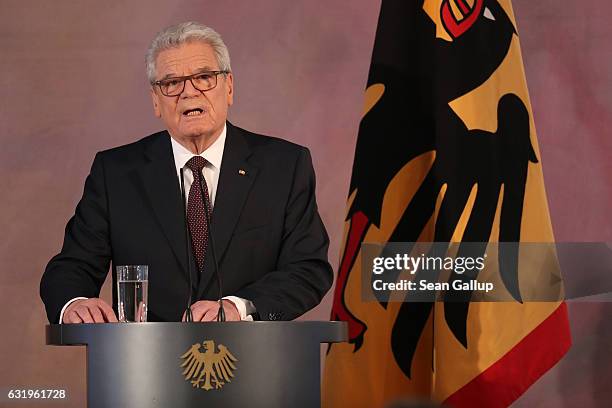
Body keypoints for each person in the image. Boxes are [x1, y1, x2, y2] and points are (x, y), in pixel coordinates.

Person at [40, 22, 333, 323]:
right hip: (147, 362)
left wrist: (238, 306)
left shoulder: (283, 166)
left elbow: (308, 269)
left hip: (252, 359)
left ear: (229, 86)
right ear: (156, 100)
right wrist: (73, 303)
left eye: (204, 78)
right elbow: (73, 266)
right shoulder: (116, 173)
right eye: (171, 83)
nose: (188, 93)